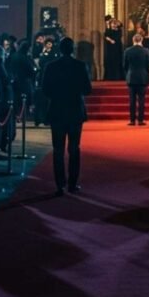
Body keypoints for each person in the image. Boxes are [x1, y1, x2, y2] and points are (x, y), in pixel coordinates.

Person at [41, 38, 92, 196]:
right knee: (74, 149)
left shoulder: (51, 66)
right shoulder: (80, 66)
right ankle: (72, 183)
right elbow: (87, 89)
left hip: (57, 110)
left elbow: (45, 90)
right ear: (72, 49)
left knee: (58, 149)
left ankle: (59, 184)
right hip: (74, 110)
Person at [123, 33, 149, 125]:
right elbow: (148, 65)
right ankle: (140, 120)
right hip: (142, 77)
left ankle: (132, 120)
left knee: (132, 100)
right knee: (142, 100)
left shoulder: (127, 51)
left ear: (133, 40)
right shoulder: (146, 51)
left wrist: (128, 73)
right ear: (141, 40)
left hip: (131, 77)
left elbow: (125, 65)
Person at [103, 16, 123, 80]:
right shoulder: (108, 30)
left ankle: (118, 76)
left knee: (117, 62)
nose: (114, 25)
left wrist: (115, 20)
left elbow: (121, 25)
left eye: (115, 23)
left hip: (117, 48)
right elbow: (106, 36)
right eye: (112, 23)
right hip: (110, 49)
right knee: (110, 61)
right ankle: (109, 76)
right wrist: (110, 40)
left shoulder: (119, 30)